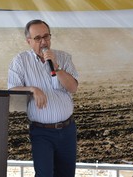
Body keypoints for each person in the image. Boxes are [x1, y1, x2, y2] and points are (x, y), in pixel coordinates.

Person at [7, 19, 79, 177]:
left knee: (66, 174)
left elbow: (73, 88)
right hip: (41, 133)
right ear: (28, 41)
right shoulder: (20, 61)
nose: (44, 42)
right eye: (38, 38)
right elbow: (12, 90)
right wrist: (32, 89)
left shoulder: (64, 58)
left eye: (46, 36)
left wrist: (56, 66)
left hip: (67, 130)